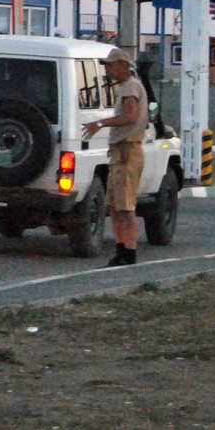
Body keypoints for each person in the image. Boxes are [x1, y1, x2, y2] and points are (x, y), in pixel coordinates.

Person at [83, 47, 149, 267]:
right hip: (120, 153)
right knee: (114, 204)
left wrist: (101, 123)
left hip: (127, 152)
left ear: (123, 65)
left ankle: (129, 251)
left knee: (126, 206)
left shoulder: (131, 87)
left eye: (111, 65)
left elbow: (130, 115)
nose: (109, 70)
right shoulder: (125, 87)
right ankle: (121, 249)